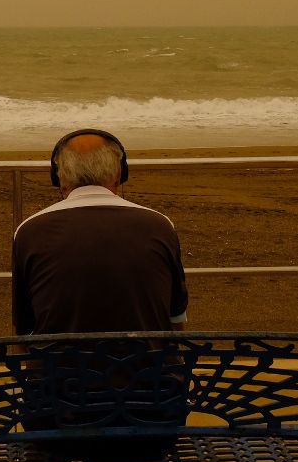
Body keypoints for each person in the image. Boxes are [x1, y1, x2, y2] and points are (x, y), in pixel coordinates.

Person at [11, 128, 189, 335]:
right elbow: (176, 318)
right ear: (118, 174)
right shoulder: (159, 225)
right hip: (146, 366)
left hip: (59, 367)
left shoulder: (30, 231)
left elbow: (23, 329)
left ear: (60, 177)